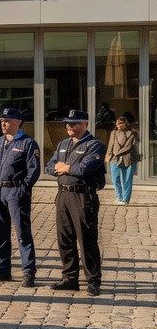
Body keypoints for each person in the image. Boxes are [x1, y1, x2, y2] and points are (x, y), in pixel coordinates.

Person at [45, 109, 106, 296]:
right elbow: (49, 166)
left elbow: (85, 168)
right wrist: (62, 169)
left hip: (82, 196)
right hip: (63, 195)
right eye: (67, 123)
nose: (68, 127)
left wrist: (66, 168)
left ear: (84, 124)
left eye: (73, 123)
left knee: (86, 239)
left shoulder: (94, 145)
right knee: (65, 238)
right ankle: (70, 277)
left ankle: (93, 280)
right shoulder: (63, 143)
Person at [0, 108, 41, 286]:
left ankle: (28, 271)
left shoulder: (28, 143)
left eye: (7, 120)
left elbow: (33, 170)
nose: (3, 123)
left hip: (16, 191)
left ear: (18, 122)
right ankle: (3, 269)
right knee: (0, 232)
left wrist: (23, 188)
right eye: (2, 120)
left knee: (22, 232)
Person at [107, 114, 138, 205]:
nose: (119, 125)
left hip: (128, 159)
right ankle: (119, 197)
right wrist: (108, 155)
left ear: (125, 124)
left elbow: (128, 146)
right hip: (114, 159)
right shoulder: (113, 132)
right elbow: (110, 145)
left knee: (126, 179)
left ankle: (125, 200)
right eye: (118, 123)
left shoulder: (132, 133)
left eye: (121, 123)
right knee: (115, 179)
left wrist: (117, 153)